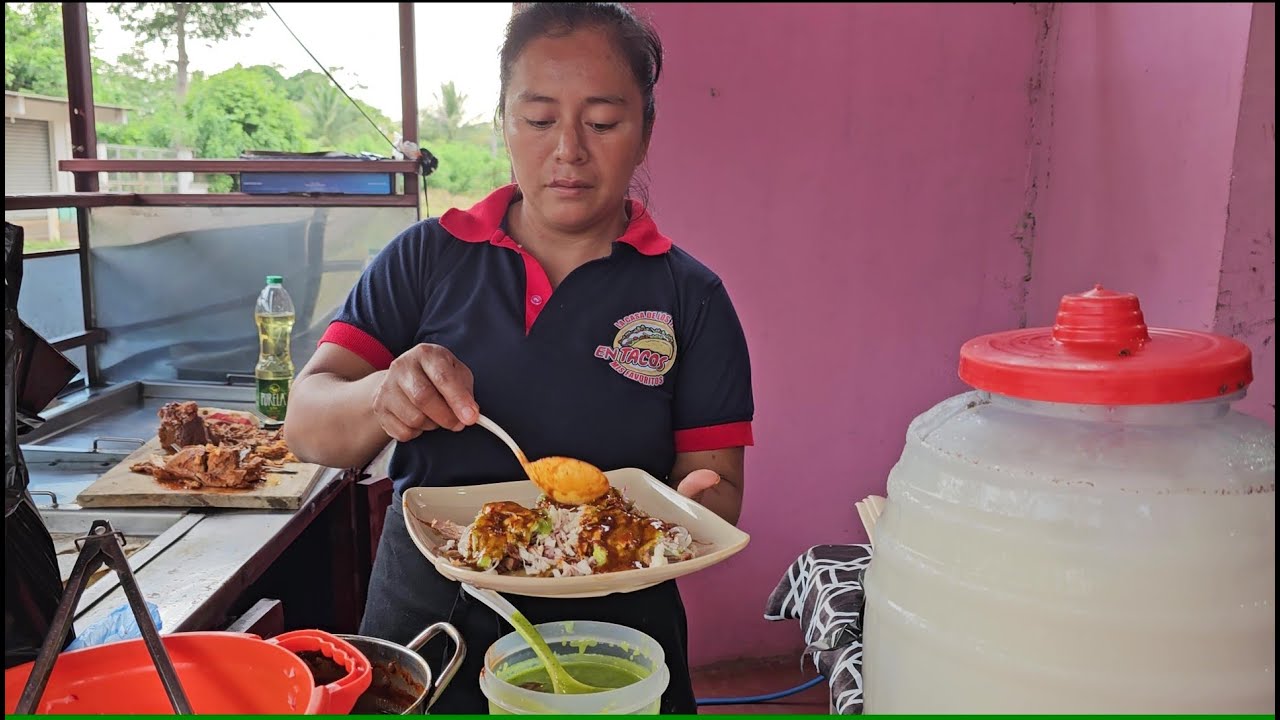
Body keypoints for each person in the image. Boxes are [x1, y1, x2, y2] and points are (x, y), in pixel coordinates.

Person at [285, 2, 753, 713]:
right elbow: (307, 424)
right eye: (538, 120)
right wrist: (384, 393)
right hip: (430, 628)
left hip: (616, 622)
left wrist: (686, 516)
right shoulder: (426, 256)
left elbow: (714, 485)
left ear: (646, 130)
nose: (568, 149)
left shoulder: (690, 297)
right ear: (503, 120)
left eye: (602, 122)